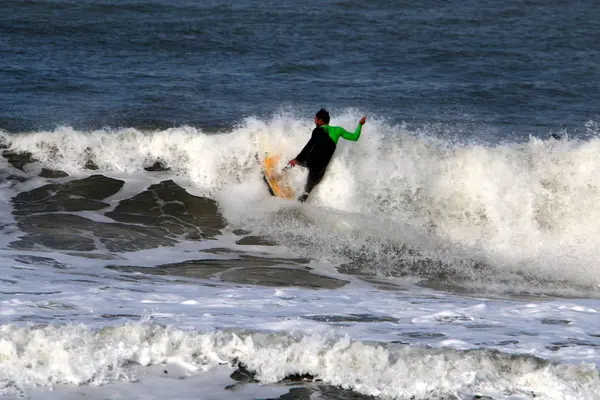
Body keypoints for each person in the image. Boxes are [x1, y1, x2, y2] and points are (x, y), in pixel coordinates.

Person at [287, 108, 367, 202]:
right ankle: (298, 205)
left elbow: (309, 146)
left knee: (293, 162)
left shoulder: (318, 130)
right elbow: (354, 137)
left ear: (320, 120)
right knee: (307, 191)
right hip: (321, 168)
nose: (314, 121)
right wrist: (360, 125)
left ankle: (280, 173)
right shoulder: (338, 130)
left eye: (316, 119)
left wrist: (297, 159)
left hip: (311, 161)